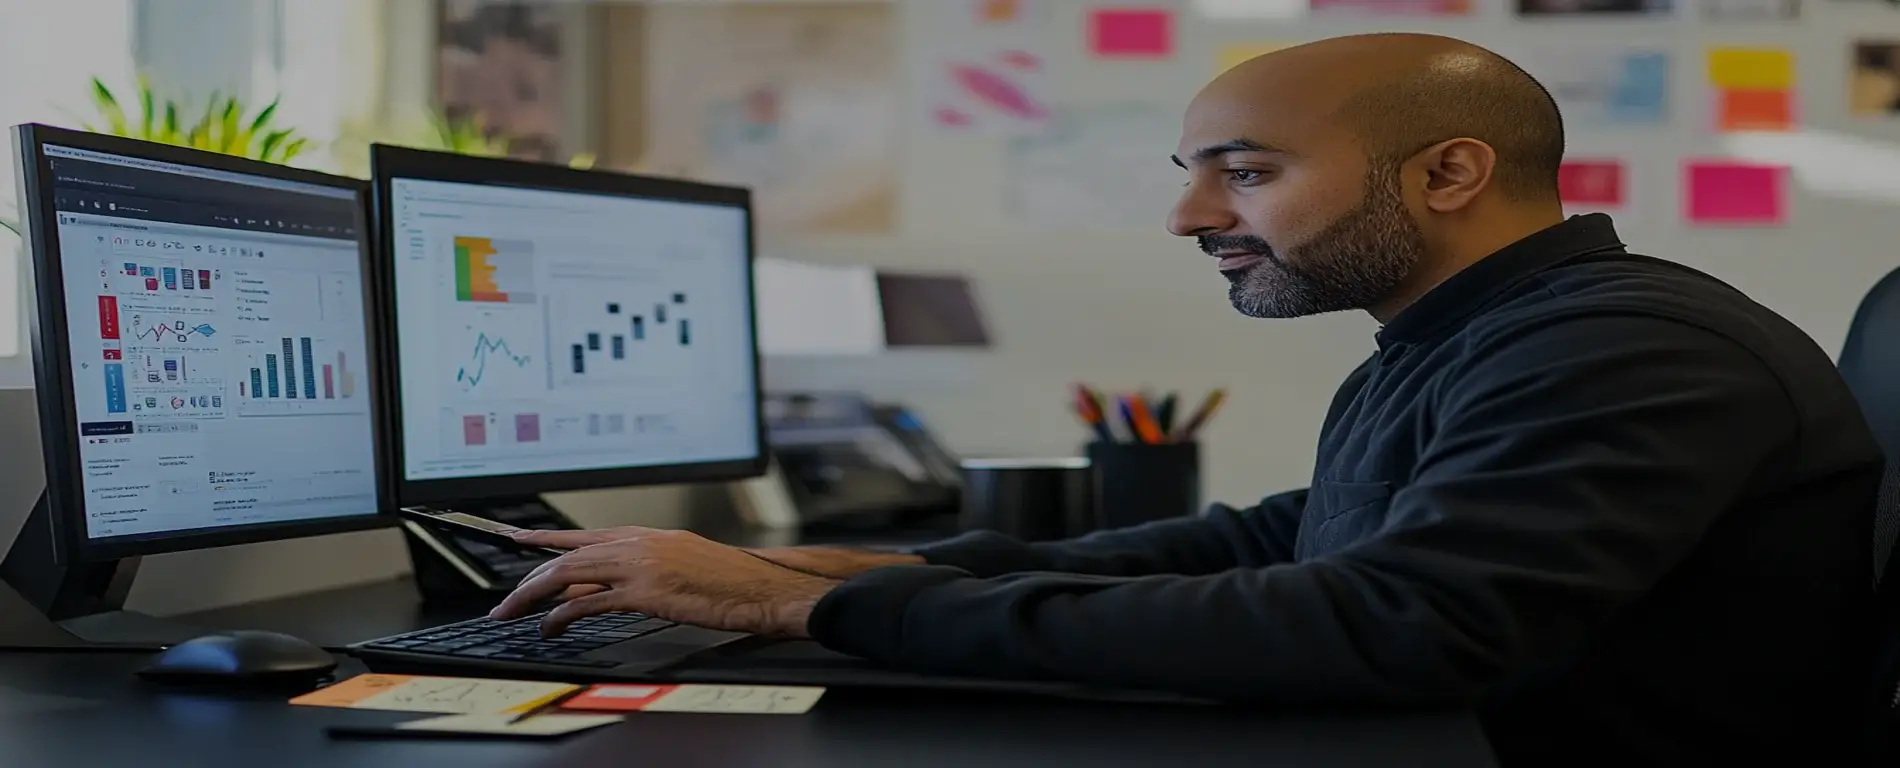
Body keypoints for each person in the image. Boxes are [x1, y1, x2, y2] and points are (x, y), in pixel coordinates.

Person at [490, 33, 1880, 764]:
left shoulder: (1627, 346)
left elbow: (1398, 623)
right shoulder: (1493, 331)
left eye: (1246, 171)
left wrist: (807, 610)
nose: (1189, 215)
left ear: (1450, 175)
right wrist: (867, 563)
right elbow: (1289, 539)